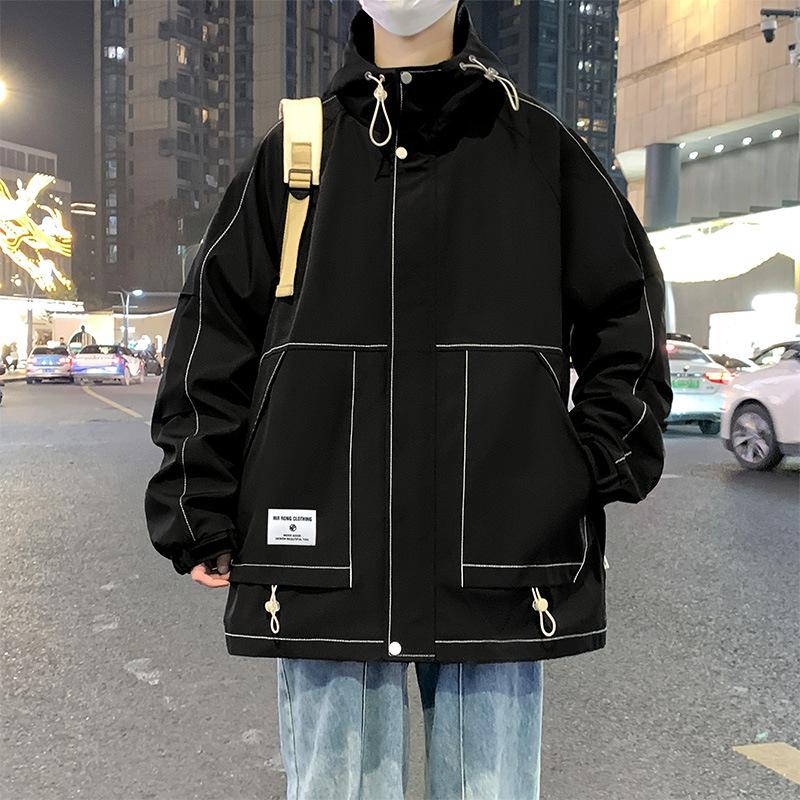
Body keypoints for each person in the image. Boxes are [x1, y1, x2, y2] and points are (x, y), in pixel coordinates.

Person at [144, 1, 672, 797]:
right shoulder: (298, 149)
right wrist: (197, 498)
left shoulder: (538, 148)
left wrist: (592, 462)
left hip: (500, 549)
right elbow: (214, 329)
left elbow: (627, 312)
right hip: (326, 551)